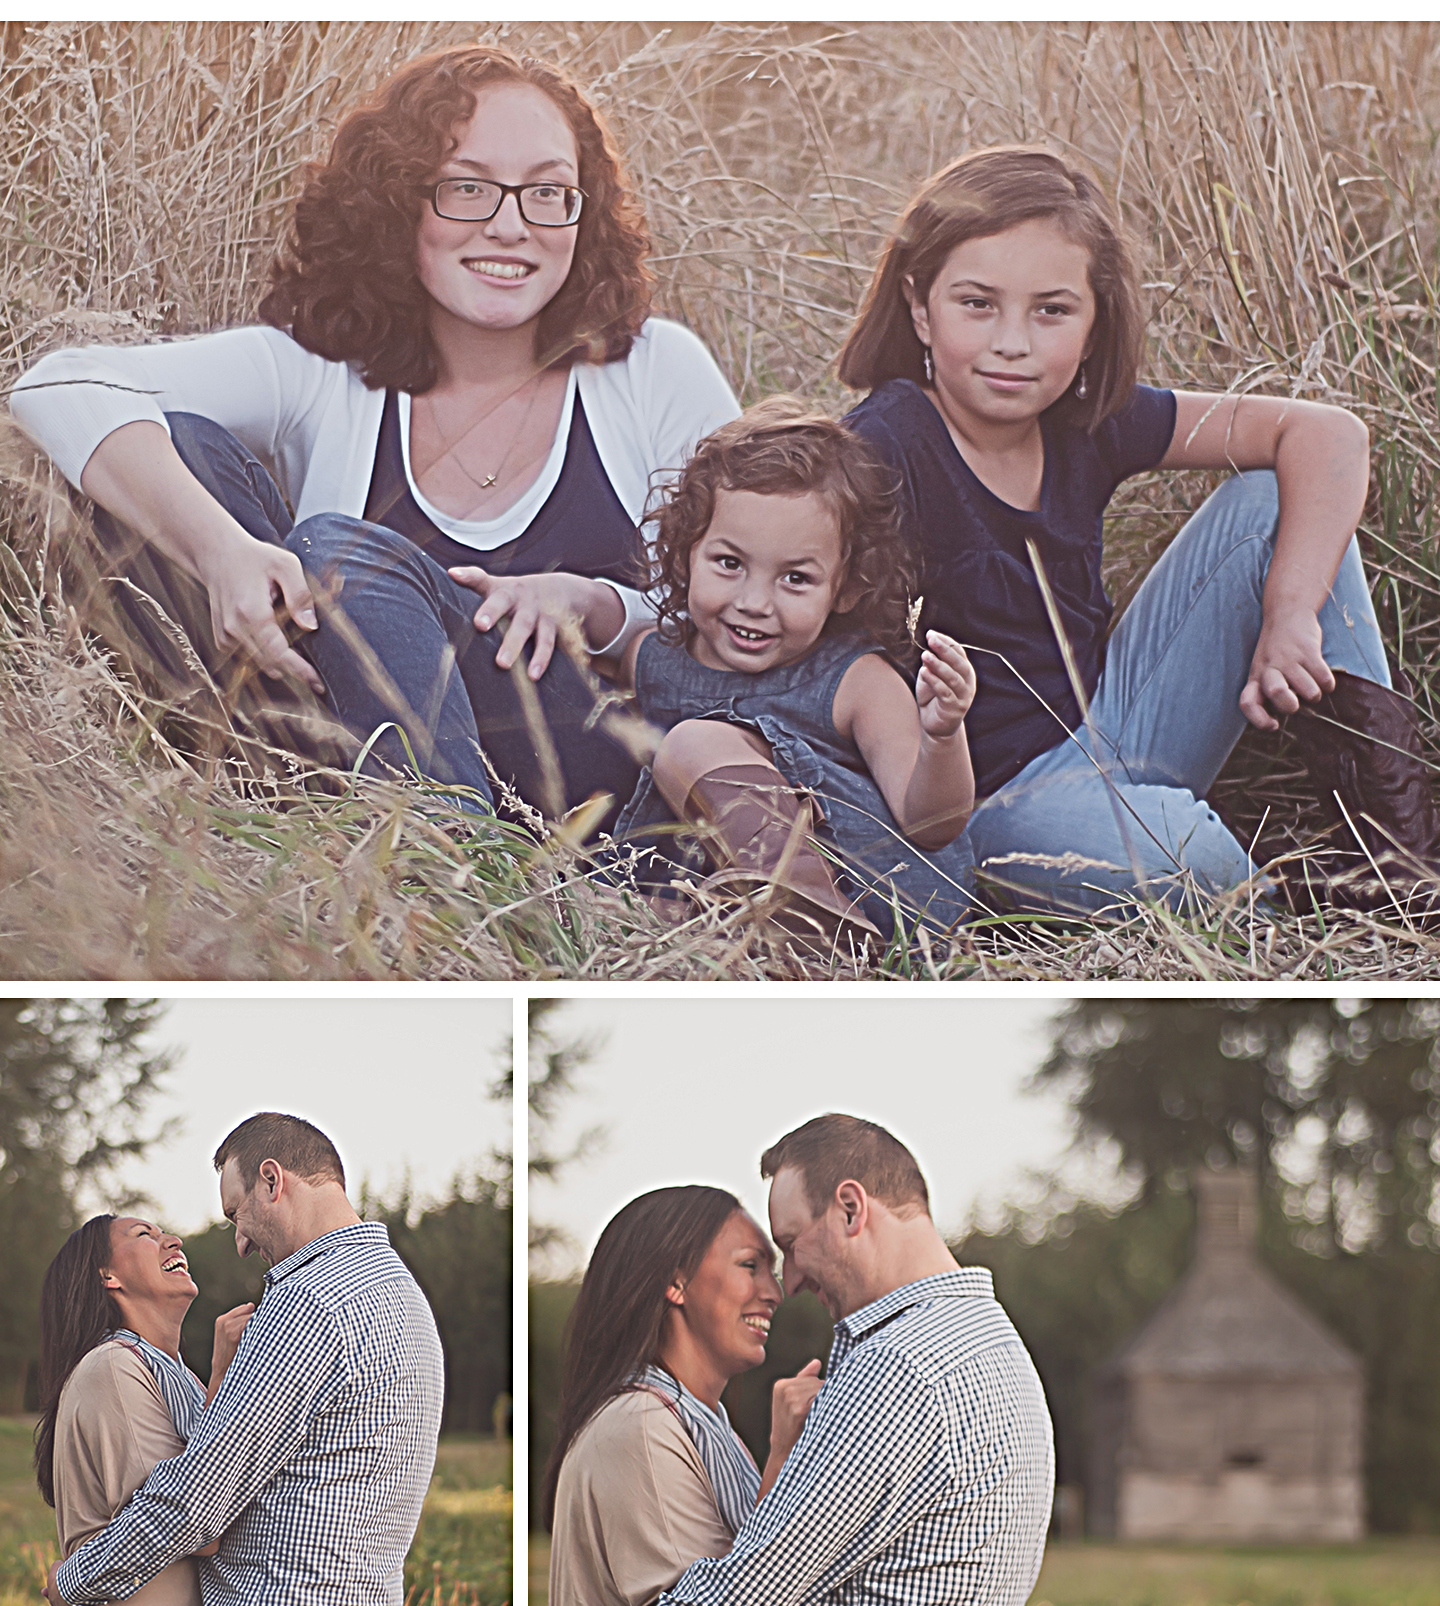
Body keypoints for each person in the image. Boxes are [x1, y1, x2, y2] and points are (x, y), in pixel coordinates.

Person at [10, 45, 737, 826]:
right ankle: (341, 827)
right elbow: (60, 385)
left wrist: (599, 606)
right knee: (174, 449)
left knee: (338, 550)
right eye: (468, 188)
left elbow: (748, 612)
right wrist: (220, 551)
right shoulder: (321, 373)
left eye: (549, 194)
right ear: (399, 201)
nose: (509, 226)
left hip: (590, 780)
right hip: (344, 748)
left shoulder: (655, 370)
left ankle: (454, 860)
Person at [839, 144, 1440, 917]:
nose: (1013, 342)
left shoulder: (1086, 417)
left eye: (1051, 310)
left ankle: (1399, 858)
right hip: (996, 801)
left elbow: (1328, 436)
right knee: (1205, 870)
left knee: (1271, 499)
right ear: (920, 306)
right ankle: (1261, 888)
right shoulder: (882, 448)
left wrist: (1290, 613)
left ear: (1094, 324)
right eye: (977, 304)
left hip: (1122, 716)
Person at [534, 1113, 1053, 1606]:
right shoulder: (993, 1348)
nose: (790, 1282)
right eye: (759, 1262)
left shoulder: (898, 1371)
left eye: (788, 1245)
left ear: (851, 1210)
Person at [505, 402, 977, 941]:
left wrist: (942, 736)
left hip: (888, 898)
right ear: (684, 558)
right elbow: (601, 629)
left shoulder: (856, 682)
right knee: (591, 900)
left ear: (844, 588)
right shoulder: (657, 659)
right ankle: (750, 934)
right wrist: (555, 593)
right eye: (729, 564)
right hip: (733, 898)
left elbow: (932, 825)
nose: (754, 602)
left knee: (693, 744)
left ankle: (812, 926)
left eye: (795, 578)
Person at [43, 1112, 443, 1606]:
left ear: (271, 1181)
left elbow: (193, 1504)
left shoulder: (309, 1300)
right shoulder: (403, 1296)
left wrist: (72, 1583)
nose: (239, 1242)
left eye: (236, 1214)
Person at [542, 1185, 821, 1606]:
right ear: (675, 1281)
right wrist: (783, 1460)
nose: (775, 1291)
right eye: (750, 1265)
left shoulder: (703, 1424)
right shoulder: (643, 1425)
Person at [34, 1213, 251, 1606]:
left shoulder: (176, 1377)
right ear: (107, 1277)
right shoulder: (113, 1367)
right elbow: (197, 1525)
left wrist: (218, 1378)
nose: (171, 1240)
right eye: (143, 1235)